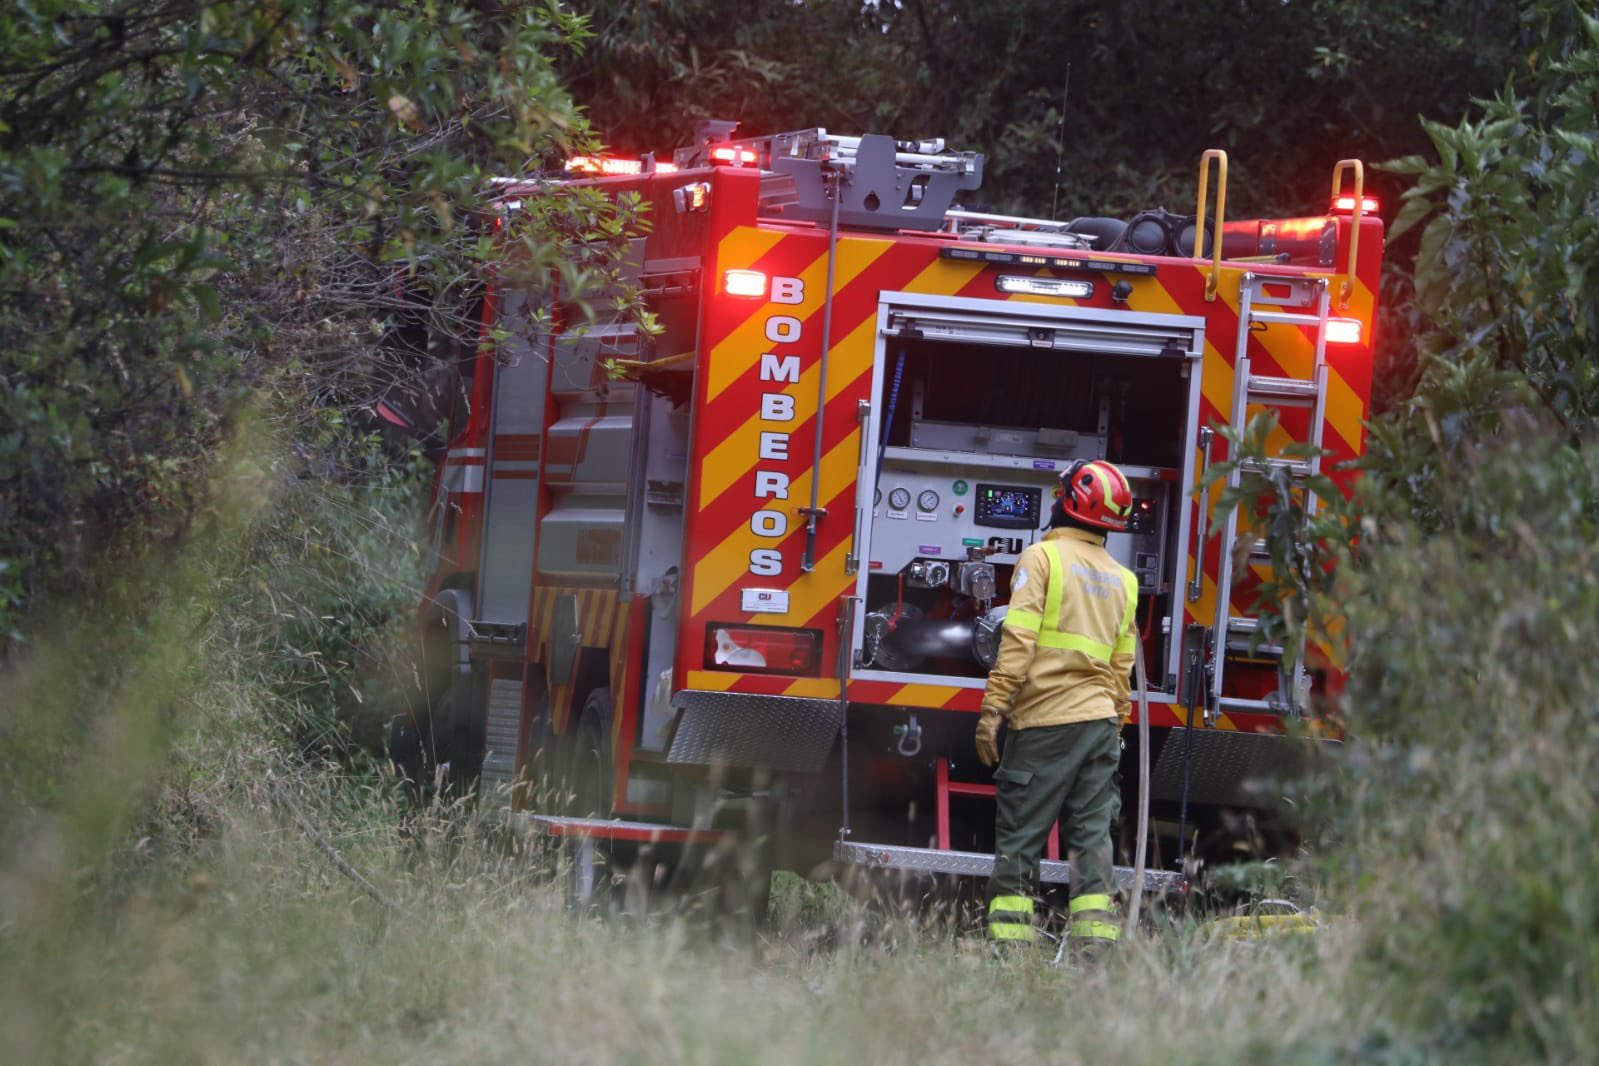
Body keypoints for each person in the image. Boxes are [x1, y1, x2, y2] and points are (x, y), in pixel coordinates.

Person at [976, 458, 1138, 956]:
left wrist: (993, 711)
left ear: (1067, 502)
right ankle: (1095, 951)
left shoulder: (1041, 559)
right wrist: (1116, 726)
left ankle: (1010, 950)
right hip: (1100, 724)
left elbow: (1017, 641)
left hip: (1045, 722)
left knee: (1020, 838)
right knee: (1092, 840)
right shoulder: (1124, 580)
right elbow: (1122, 667)